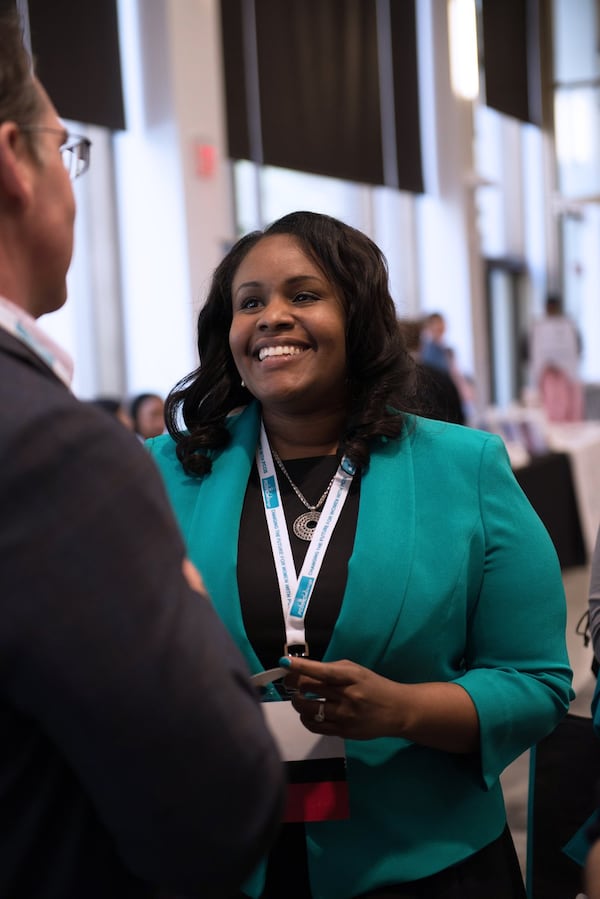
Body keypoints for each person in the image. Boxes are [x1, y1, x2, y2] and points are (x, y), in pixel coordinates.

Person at [147, 210, 574, 899]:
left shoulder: (464, 466)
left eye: (303, 295)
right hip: (218, 859)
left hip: (425, 866)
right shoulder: (160, 474)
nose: (271, 316)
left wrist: (402, 709)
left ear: (360, 314)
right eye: (249, 301)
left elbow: (536, 679)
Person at [0, 12, 283, 898]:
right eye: (66, 147)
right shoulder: (57, 455)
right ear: (15, 160)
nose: (275, 321)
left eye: (306, 294)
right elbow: (217, 804)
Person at [528, 294, 584, 422]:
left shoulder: (569, 327)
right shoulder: (538, 328)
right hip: (548, 376)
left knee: (568, 410)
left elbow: (579, 350)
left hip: (565, 378)